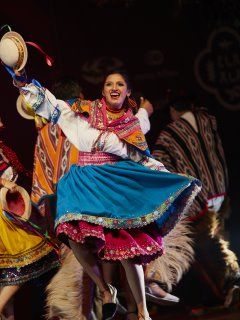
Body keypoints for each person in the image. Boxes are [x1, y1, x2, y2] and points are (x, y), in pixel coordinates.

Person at [9, 69, 201, 320]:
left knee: (127, 252)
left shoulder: (130, 123)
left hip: (113, 187)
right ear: (100, 91)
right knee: (77, 249)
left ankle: (141, 310)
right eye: (109, 83)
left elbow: (137, 155)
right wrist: (24, 82)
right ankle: (109, 292)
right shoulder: (84, 112)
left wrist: (165, 175)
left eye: (120, 83)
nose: (114, 87)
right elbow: (54, 107)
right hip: (82, 187)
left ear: (127, 91)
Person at [151, 94, 240, 308]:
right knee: (218, 240)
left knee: (200, 246)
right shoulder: (209, 120)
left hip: (198, 199)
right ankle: (230, 285)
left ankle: (227, 286)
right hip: (220, 192)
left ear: (173, 110)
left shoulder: (170, 133)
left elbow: (158, 163)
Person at [0, 116, 60, 320]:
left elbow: (21, 172)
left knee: (8, 276)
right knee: (21, 265)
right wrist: (4, 183)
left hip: (12, 209)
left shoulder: (3, 148)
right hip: (3, 216)